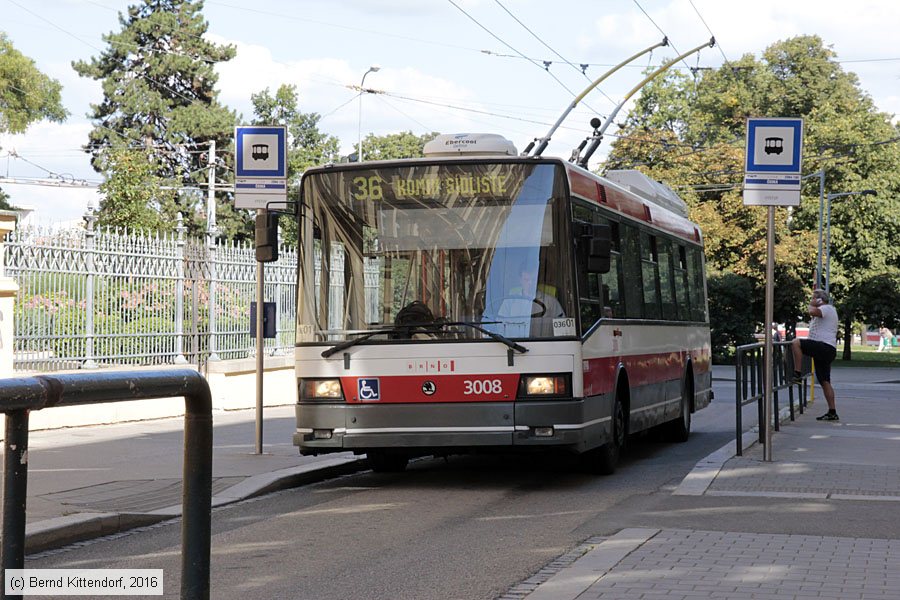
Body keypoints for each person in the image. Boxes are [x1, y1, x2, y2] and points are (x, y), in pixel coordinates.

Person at [790, 289, 840, 421]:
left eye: (813, 298)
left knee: (796, 343)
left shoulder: (827, 308)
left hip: (824, 346)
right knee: (825, 381)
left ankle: (797, 373)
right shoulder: (828, 309)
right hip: (826, 349)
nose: (811, 300)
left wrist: (812, 304)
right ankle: (832, 411)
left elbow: (812, 311)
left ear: (820, 300)